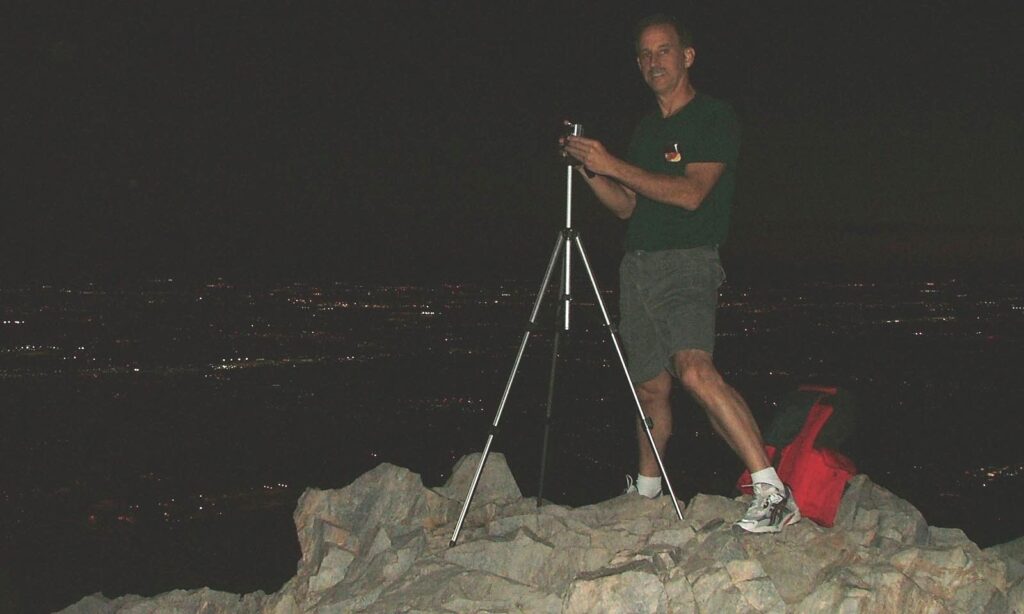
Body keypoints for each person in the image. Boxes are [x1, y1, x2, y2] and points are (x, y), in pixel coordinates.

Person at [560, 14, 800, 534]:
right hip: (638, 266)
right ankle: (646, 493)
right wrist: (592, 170)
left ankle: (772, 490)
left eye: (663, 51)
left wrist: (614, 162)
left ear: (687, 56)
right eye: (645, 55)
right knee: (649, 388)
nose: (653, 63)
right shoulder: (648, 129)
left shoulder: (713, 118)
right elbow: (627, 206)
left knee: (693, 369)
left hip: (687, 261)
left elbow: (692, 195)